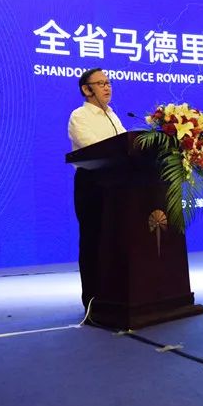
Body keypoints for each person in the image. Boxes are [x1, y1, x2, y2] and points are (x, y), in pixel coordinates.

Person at [68, 68, 126, 310]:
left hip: (118, 184)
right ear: (86, 89)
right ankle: (92, 302)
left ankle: (116, 297)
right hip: (92, 184)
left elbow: (127, 147)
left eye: (108, 83)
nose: (107, 87)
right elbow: (93, 147)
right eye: (100, 83)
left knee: (116, 240)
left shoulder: (113, 115)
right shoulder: (79, 116)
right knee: (93, 241)